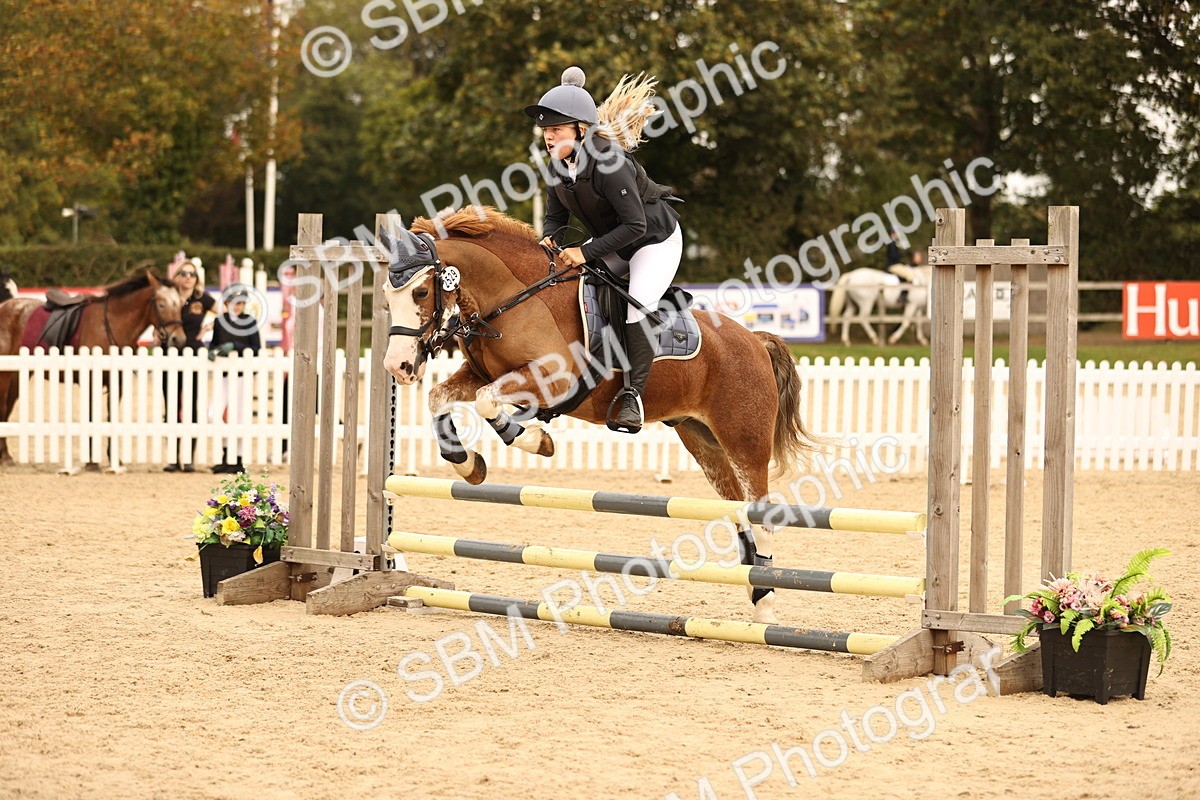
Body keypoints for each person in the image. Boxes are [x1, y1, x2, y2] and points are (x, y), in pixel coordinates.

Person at [525, 66, 682, 434]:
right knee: (574, 286)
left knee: (636, 303)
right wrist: (553, 239)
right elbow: (554, 217)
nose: (549, 137)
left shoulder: (610, 164)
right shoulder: (558, 167)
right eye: (546, 131)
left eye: (556, 130)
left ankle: (633, 396)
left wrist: (586, 252)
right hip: (617, 242)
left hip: (654, 241)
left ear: (581, 130)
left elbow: (636, 226)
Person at [162, 255, 215, 472]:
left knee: (192, 405)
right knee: (172, 406)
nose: (188, 278)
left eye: (192, 274)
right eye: (183, 273)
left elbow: (226, 313)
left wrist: (208, 328)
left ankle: (190, 458)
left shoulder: (202, 299)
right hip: (170, 354)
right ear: (176, 277)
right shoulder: (169, 297)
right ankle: (173, 458)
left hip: (193, 354)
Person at [208, 285, 261, 474]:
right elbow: (214, 342)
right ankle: (225, 453)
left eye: (240, 303)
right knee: (214, 414)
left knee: (239, 417)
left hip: (242, 377)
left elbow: (256, 348)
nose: (237, 306)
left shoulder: (250, 322)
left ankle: (237, 459)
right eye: (233, 302)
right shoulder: (220, 322)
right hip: (224, 376)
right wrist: (212, 351)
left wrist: (235, 345)